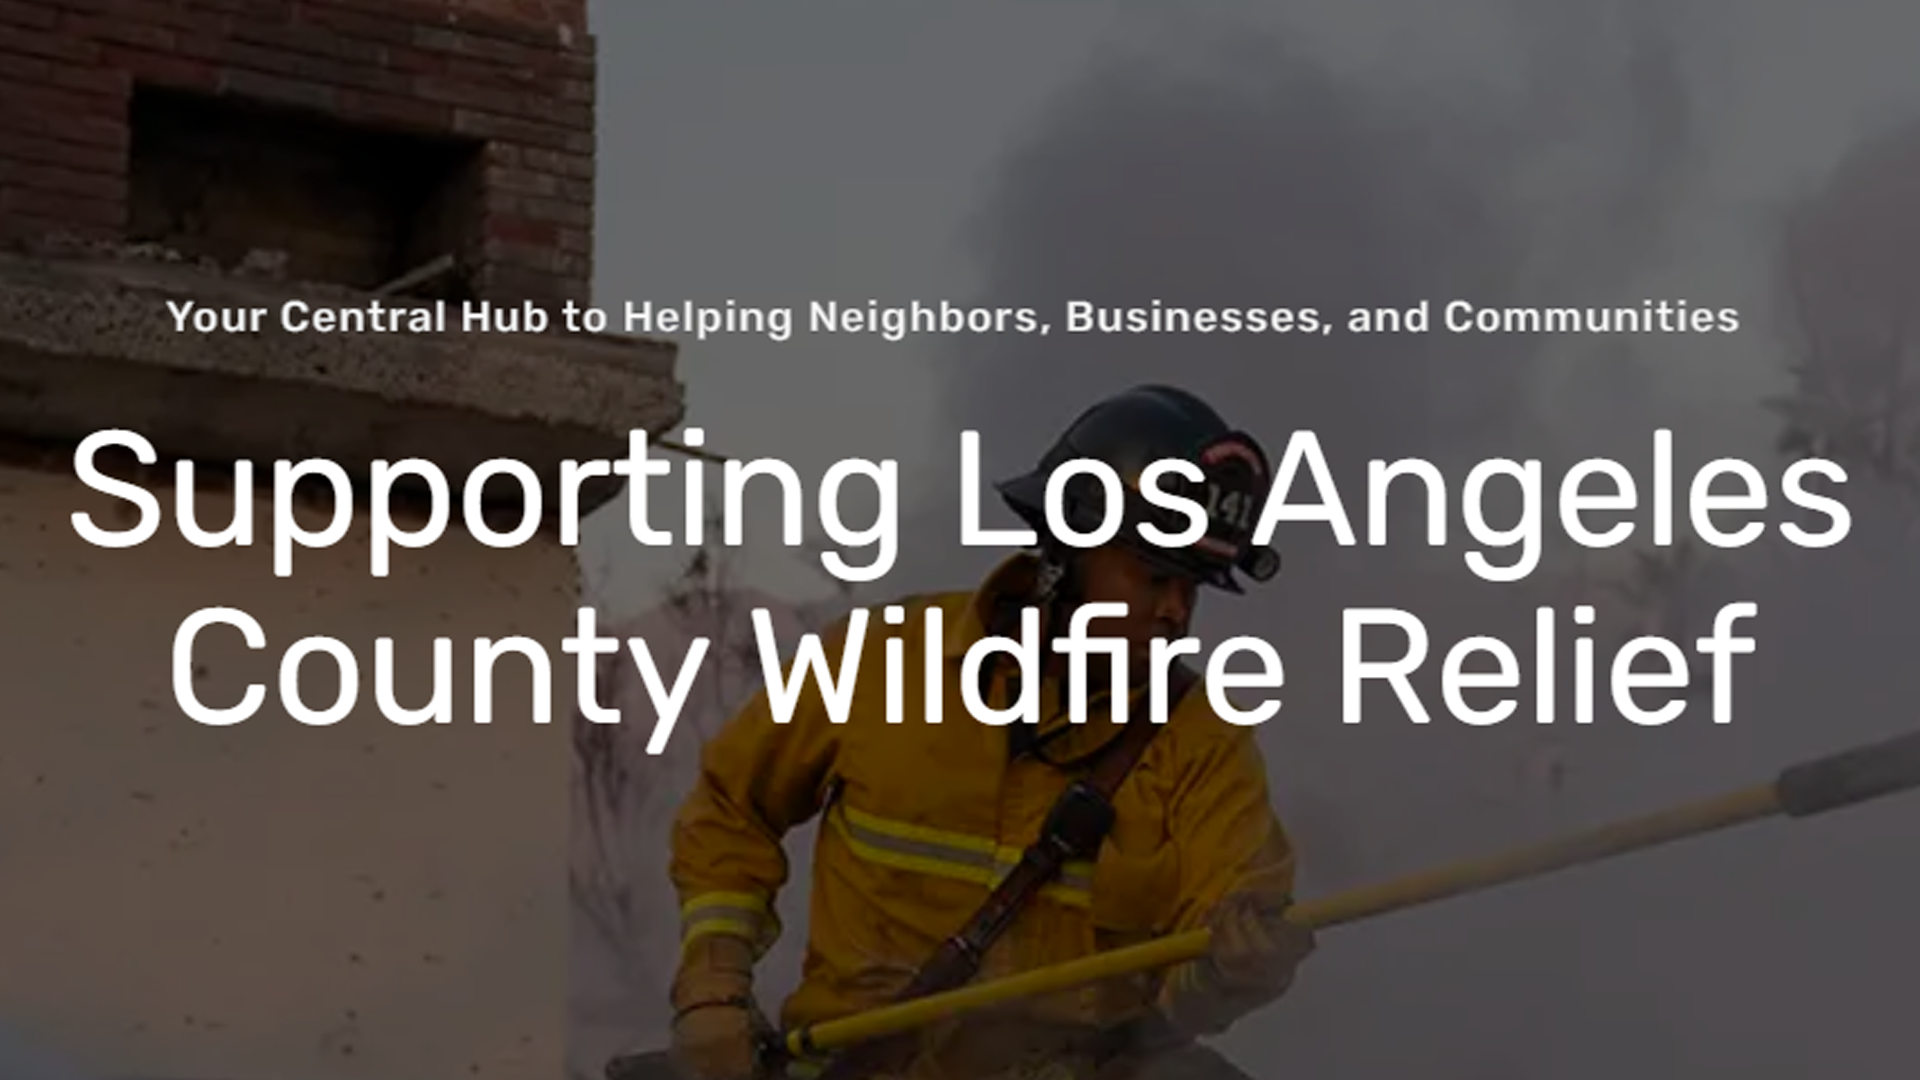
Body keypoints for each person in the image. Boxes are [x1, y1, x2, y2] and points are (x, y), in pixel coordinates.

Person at [662, 385, 1315, 1080]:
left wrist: (1232, 969)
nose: (1175, 613)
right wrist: (714, 991)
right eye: (1154, 577)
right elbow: (731, 808)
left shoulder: (1204, 747)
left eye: (1194, 589)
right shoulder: (881, 661)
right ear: (1066, 550)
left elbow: (1192, 985)